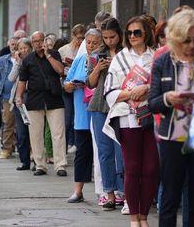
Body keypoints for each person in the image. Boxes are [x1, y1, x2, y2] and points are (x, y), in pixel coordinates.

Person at [149, 9, 194, 227]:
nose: (192, 45)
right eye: (186, 40)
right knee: (170, 197)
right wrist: (168, 98)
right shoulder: (163, 61)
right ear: (175, 38)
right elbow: (152, 101)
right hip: (172, 137)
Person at [105, 16, 158, 227]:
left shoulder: (156, 57)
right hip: (127, 117)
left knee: (152, 168)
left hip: (152, 117)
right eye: (129, 33)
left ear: (146, 33)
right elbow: (110, 91)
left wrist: (146, 89)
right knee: (133, 167)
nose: (133, 36)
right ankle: (135, 217)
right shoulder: (120, 58)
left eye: (137, 32)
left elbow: (163, 86)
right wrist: (131, 93)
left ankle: (145, 215)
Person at [15, 31, 68, 177]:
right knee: (36, 134)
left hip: (54, 99)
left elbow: (60, 70)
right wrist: (19, 96)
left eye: (41, 40)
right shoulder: (28, 60)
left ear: (45, 41)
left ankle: (60, 165)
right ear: (32, 44)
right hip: (34, 100)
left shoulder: (55, 54)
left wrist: (48, 55)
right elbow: (22, 80)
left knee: (58, 133)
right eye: (35, 41)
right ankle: (40, 165)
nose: (38, 43)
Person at [87, 18, 126, 211]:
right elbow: (90, 83)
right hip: (100, 106)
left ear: (119, 35)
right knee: (105, 152)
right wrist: (98, 68)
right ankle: (109, 193)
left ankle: (124, 193)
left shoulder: (126, 54)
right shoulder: (96, 55)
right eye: (106, 37)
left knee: (123, 152)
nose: (109, 41)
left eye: (112, 37)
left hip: (122, 105)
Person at [64, 29, 103, 203]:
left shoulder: (103, 61)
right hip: (81, 114)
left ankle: (105, 192)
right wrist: (71, 85)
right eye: (88, 42)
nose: (91, 45)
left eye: (95, 42)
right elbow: (66, 83)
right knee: (82, 153)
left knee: (101, 153)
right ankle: (78, 191)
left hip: (99, 113)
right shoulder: (79, 60)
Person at [59, 24, 86, 152]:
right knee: (67, 118)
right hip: (67, 86)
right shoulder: (63, 50)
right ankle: (63, 148)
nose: (80, 41)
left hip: (80, 88)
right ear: (73, 36)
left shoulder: (85, 49)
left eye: (82, 38)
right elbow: (58, 69)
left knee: (78, 117)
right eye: (78, 38)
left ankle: (75, 143)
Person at [10, 38, 33, 170]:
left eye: (25, 48)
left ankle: (36, 160)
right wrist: (18, 63)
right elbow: (11, 78)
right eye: (20, 48)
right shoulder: (17, 63)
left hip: (33, 98)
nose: (23, 50)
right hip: (19, 101)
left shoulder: (35, 60)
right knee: (21, 133)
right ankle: (24, 161)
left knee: (34, 132)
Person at [0, 43, 18, 159]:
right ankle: (7, 149)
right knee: (8, 122)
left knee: (24, 124)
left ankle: (28, 149)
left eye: (16, 44)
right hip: (7, 96)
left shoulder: (24, 58)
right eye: (12, 44)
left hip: (22, 95)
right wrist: (2, 86)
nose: (14, 46)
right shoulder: (3, 59)